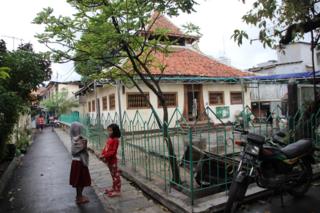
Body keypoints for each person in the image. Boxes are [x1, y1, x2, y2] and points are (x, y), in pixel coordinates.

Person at [69, 122, 91, 204]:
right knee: (80, 181)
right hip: (80, 162)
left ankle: (79, 196)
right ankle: (79, 197)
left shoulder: (73, 138)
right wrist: (84, 144)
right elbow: (75, 150)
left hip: (76, 161)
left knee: (79, 181)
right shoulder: (79, 140)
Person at [100, 124, 121, 197]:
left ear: (115, 131)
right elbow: (106, 148)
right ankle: (114, 188)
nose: (109, 132)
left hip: (113, 161)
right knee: (113, 175)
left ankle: (117, 190)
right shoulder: (110, 139)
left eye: (110, 131)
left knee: (116, 175)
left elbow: (113, 151)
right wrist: (102, 154)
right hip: (109, 160)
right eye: (108, 130)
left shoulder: (115, 140)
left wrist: (104, 155)